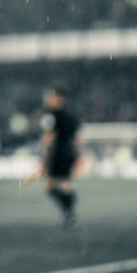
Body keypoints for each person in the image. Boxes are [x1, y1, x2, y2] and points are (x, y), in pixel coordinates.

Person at [39, 87, 81, 228]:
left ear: (58, 99)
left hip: (56, 155)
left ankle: (69, 207)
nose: (48, 99)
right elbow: (78, 138)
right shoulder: (71, 116)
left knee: (51, 187)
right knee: (64, 184)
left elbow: (48, 137)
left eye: (51, 97)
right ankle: (69, 210)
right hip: (68, 154)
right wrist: (77, 155)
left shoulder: (49, 116)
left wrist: (44, 156)